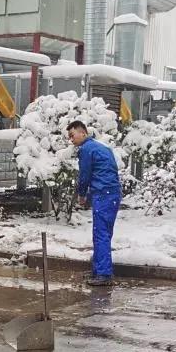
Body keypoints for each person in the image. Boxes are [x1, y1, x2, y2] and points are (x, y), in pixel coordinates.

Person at [67, 120, 121, 287]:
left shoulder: (86, 149)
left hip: (103, 194)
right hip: (112, 193)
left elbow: (85, 175)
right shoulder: (102, 148)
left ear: (83, 133)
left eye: (72, 135)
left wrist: (82, 194)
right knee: (104, 233)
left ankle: (103, 274)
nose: (71, 139)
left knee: (100, 234)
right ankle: (99, 270)